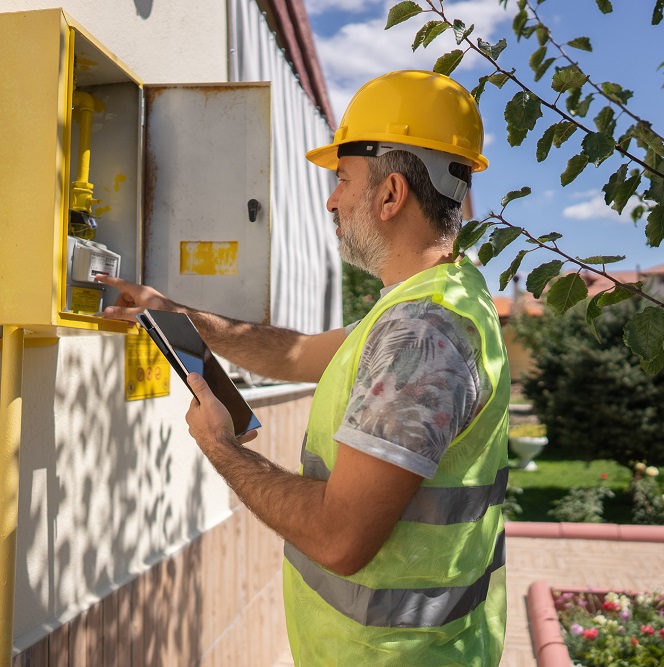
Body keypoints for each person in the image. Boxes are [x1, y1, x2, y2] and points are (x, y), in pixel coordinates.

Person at [98, 70, 509, 666]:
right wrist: (170, 311)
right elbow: (295, 354)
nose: (332, 199)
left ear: (391, 195)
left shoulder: (422, 334)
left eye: (343, 180)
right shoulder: (440, 298)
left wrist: (222, 447)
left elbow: (339, 539)